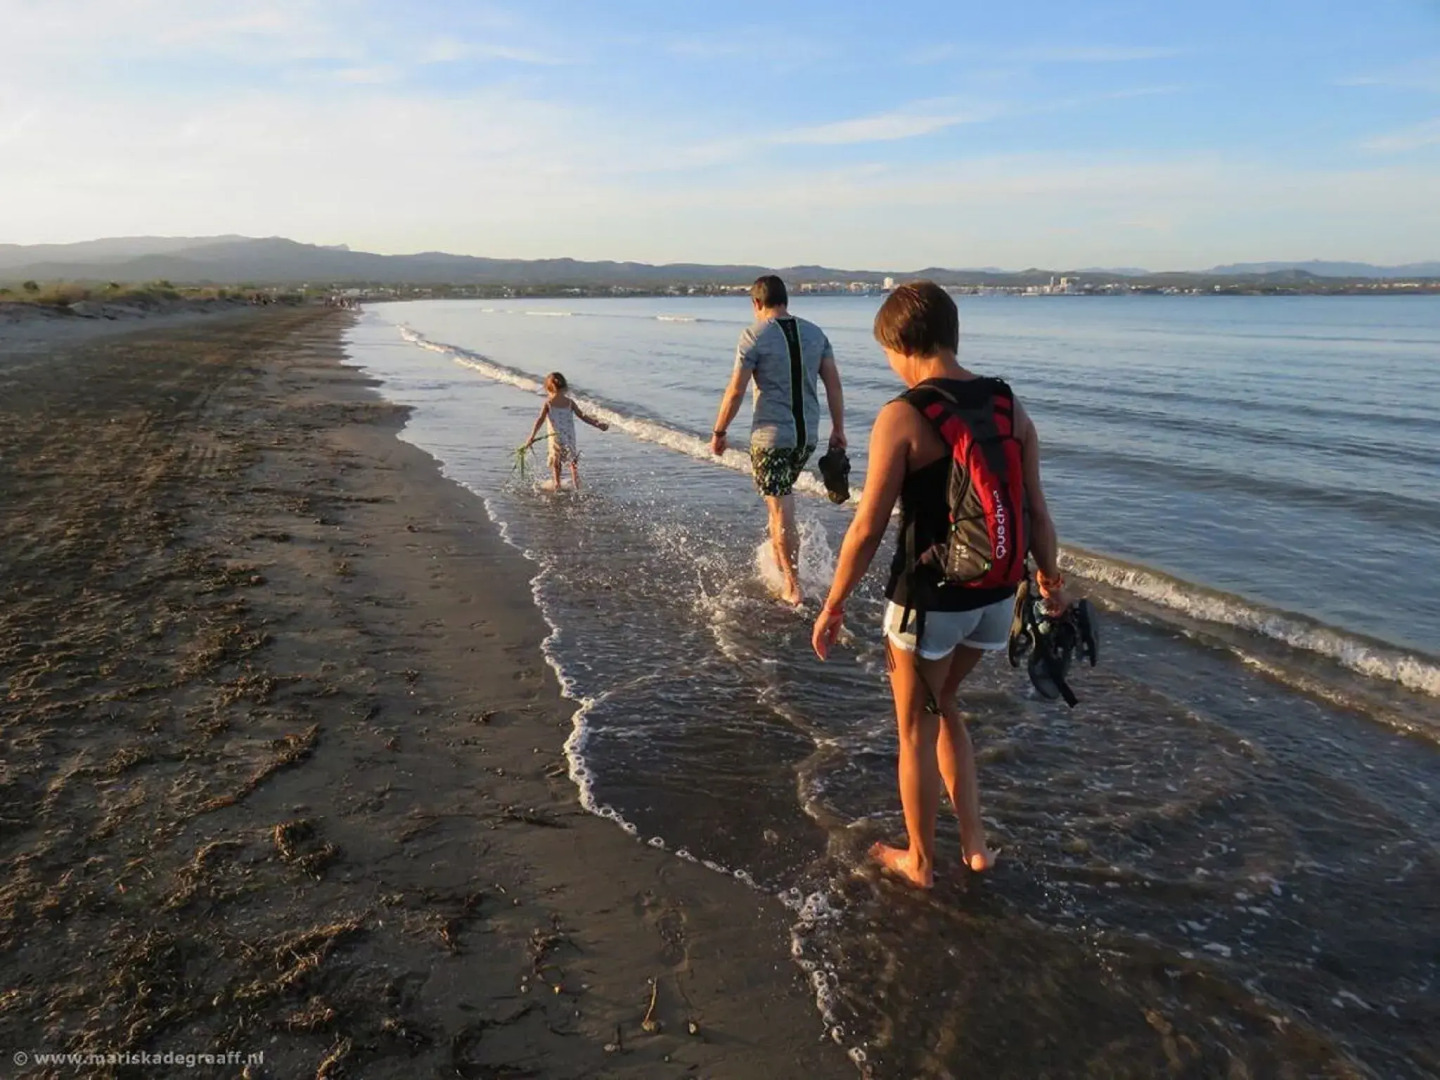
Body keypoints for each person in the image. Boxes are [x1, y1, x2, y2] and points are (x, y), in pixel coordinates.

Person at [811, 281, 1071, 888]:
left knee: (915, 729)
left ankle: (921, 862)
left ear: (903, 343)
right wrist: (1050, 581)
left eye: (887, 353)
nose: (890, 365)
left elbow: (867, 528)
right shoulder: (1008, 403)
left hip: (930, 603)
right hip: (996, 597)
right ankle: (975, 846)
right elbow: (1036, 510)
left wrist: (834, 603)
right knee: (946, 703)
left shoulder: (903, 415)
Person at [710, 275, 846, 605]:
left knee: (781, 508)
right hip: (806, 438)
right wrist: (839, 429)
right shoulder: (816, 333)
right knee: (780, 501)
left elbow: (736, 391)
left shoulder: (753, 336)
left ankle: (792, 585)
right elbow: (833, 385)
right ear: (786, 300)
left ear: (756, 303)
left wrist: (719, 431)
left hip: (771, 439)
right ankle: (783, 563)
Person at [523, 372, 608, 490]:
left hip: (555, 438)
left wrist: (531, 436)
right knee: (572, 460)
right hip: (569, 437)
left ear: (548, 388)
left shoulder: (549, 403)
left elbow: (540, 420)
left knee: (556, 461)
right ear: (565, 386)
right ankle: (576, 483)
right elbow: (582, 416)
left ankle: (557, 483)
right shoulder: (569, 402)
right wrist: (597, 424)